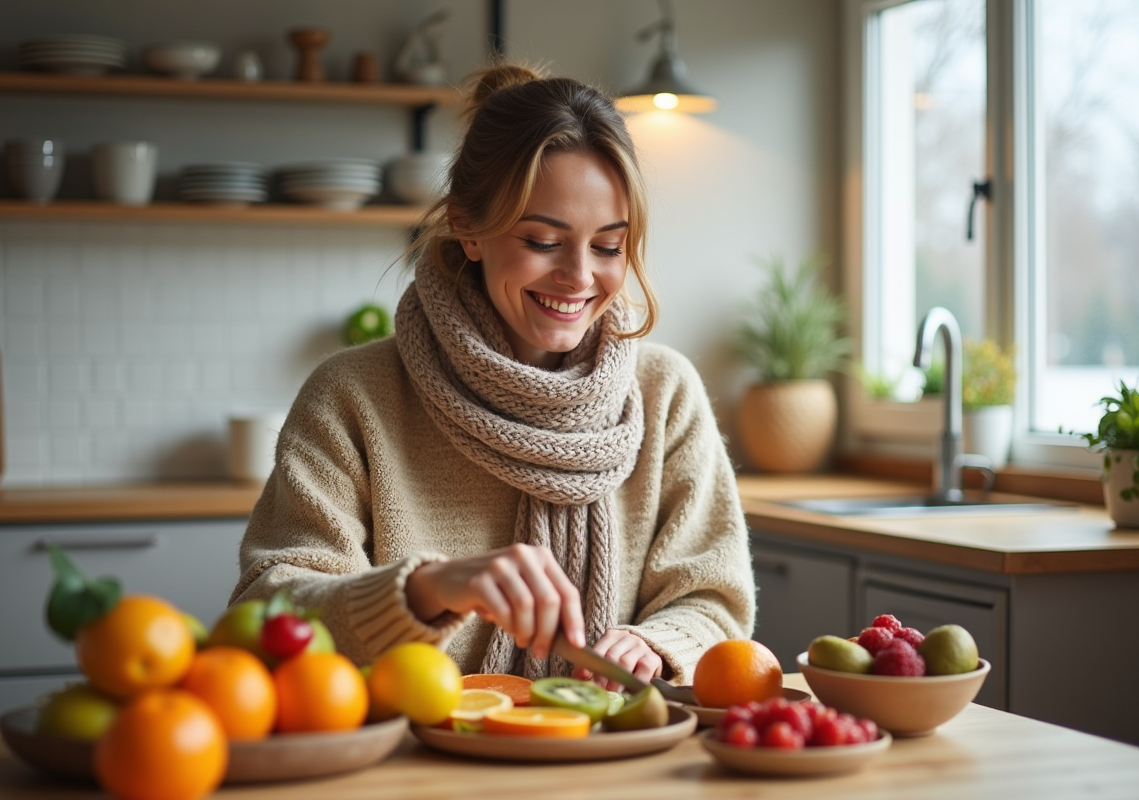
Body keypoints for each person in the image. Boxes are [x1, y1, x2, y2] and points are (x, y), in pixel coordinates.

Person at [230, 63, 755, 687]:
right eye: (542, 241)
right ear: (468, 227)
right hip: (409, 771)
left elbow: (714, 601)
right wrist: (425, 590)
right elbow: (267, 611)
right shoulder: (353, 396)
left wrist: (658, 644)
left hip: (612, 764)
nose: (580, 277)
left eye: (609, 247)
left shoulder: (665, 394)